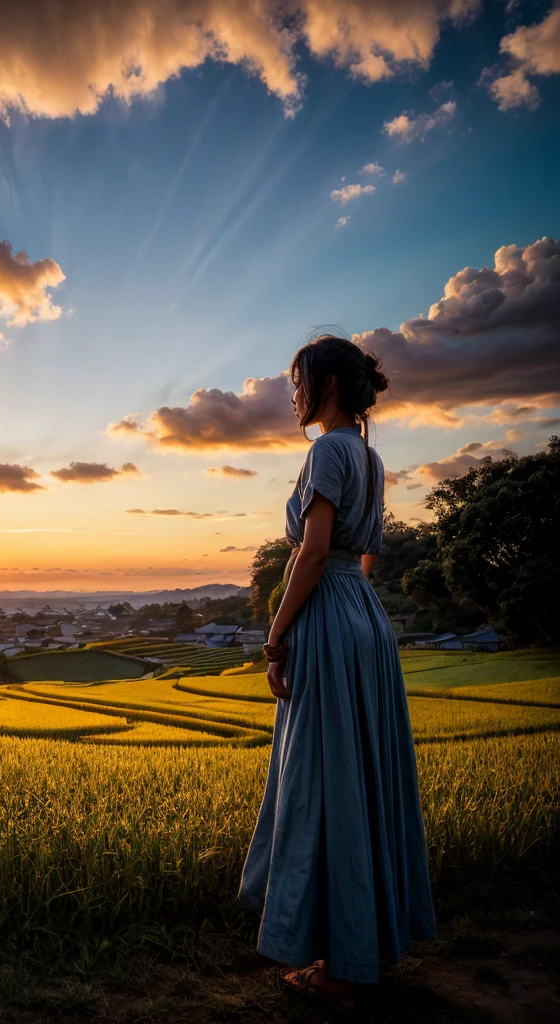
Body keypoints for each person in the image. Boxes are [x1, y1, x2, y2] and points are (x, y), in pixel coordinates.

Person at [239, 335, 435, 1014]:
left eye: (297, 383)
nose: (292, 396)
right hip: (365, 619)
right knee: (360, 783)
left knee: (324, 784)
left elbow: (314, 552)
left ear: (324, 384)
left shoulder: (327, 450)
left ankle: (343, 970)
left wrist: (276, 636)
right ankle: (356, 949)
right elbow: (364, 556)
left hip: (326, 618)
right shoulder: (370, 456)